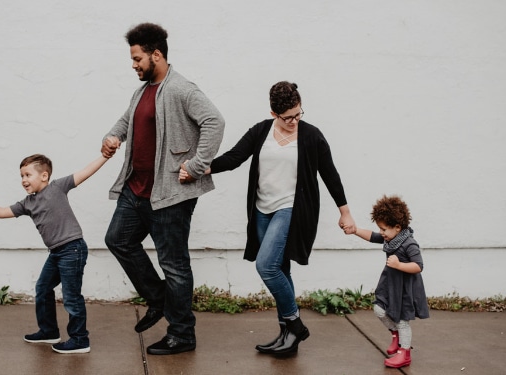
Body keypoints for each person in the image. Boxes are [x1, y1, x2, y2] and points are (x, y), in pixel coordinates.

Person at [180, 81, 355, 356]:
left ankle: (295, 325)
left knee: (267, 266)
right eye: (288, 117)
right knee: (281, 269)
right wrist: (199, 169)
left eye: (298, 114)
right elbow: (235, 157)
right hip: (262, 210)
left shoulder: (311, 136)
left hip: (291, 209)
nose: (294, 121)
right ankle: (287, 336)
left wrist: (345, 212)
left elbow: (330, 174)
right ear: (274, 113)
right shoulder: (262, 131)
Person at [101, 22, 225, 355]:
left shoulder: (181, 89)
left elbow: (215, 121)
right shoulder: (142, 90)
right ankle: (158, 300)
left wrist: (196, 166)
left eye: (137, 58)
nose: (133, 64)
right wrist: (112, 137)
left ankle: (182, 334)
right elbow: (127, 120)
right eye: (132, 58)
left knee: (174, 265)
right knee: (118, 240)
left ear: (157, 54)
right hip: (136, 189)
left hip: (169, 194)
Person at [0, 153, 108, 354]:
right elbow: (2, 211)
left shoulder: (57, 187)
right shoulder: (27, 203)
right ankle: (49, 331)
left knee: (71, 297)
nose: (23, 180)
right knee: (43, 287)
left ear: (44, 176)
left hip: (72, 249)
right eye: (21, 176)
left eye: (28, 175)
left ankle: (80, 339)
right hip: (56, 252)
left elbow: (85, 172)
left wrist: (105, 156)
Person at [346, 195, 429, 368]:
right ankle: (395, 335)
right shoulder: (390, 238)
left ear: (397, 227)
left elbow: (418, 266)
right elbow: (372, 236)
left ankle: (404, 353)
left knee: (401, 320)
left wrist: (399, 265)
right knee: (379, 309)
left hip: (404, 288)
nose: (381, 233)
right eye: (380, 229)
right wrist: (355, 230)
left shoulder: (409, 244)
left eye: (384, 229)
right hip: (390, 284)